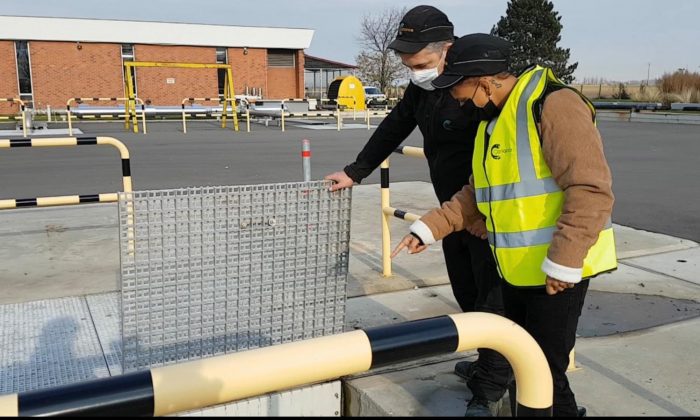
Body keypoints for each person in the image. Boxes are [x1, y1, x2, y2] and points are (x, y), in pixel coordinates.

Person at [391, 33, 618, 417]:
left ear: (483, 81)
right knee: (527, 368)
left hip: (556, 274)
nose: (455, 99)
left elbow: (590, 188)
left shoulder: (554, 105)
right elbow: (475, 194)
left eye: (457, 89)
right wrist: (428, 228)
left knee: (543, 371)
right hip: (516, 269)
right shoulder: (493, 122)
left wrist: (564, 261)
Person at [324, 6, 511, 416]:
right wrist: (356, 172)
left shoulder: (477, 80)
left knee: (493, 296)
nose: (416, 72)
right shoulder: (423, 87)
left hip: (486, 211)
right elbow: (395, 124)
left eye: (422, 64)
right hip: (450, 210)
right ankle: (489, 362)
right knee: (466, 290)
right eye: (408, 65)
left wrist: (484, 212)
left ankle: (492, 388)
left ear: (448, 48)